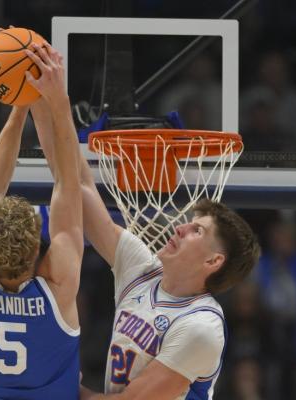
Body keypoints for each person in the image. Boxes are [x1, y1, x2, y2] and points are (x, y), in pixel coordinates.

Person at [30, 45, 261, 399]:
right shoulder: (142, 270)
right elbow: (76, 183)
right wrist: (44, 100)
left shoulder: (201, 325)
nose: (180, 227)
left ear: (214, 261)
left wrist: (65, 388)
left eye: (196, 230)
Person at [0, 41, 83, 399]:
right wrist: (45, 100)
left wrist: (24, 105)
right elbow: (68, 184)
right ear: (36, 248)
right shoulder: (58, 288)